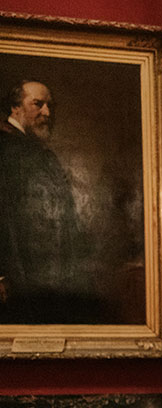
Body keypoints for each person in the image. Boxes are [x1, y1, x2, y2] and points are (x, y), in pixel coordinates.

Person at [0, 79, 87, 324]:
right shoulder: (4, 147)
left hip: (47, 276)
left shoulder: (38, 151)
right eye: (37, 104)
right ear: (15, 108)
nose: (46, 112)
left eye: (49, 106)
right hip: (17, 275)